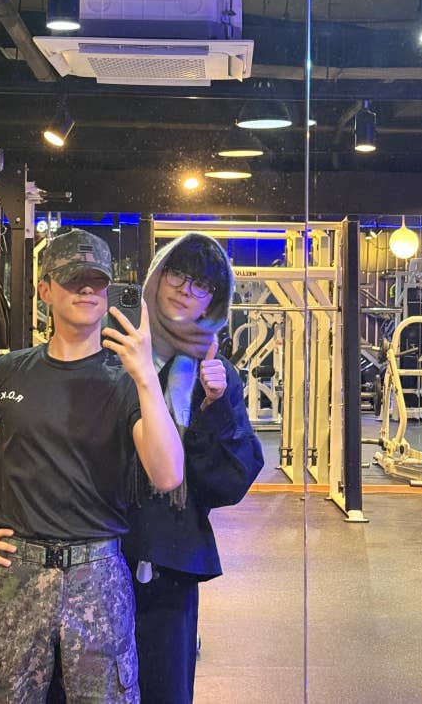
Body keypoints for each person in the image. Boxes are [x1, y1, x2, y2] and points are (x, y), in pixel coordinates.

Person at [0, 229, 184, 703]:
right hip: (16, 570)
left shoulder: (128, 380)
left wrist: (147, 375)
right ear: (44, 290)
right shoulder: (6, 372)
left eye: (97, 281)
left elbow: (167, 475)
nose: (86, 289)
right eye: (72, 279)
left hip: (97, 574)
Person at [123, 233, 264, 704]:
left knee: (163, 689)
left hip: (167, 560)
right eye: (178, 274)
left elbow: (228, 483)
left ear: (213, 300)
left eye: (201, 284)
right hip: (95, 548)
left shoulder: (214, 373)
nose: (185, 289)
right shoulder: (111, 351)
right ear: (157, 276)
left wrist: (216, 406)